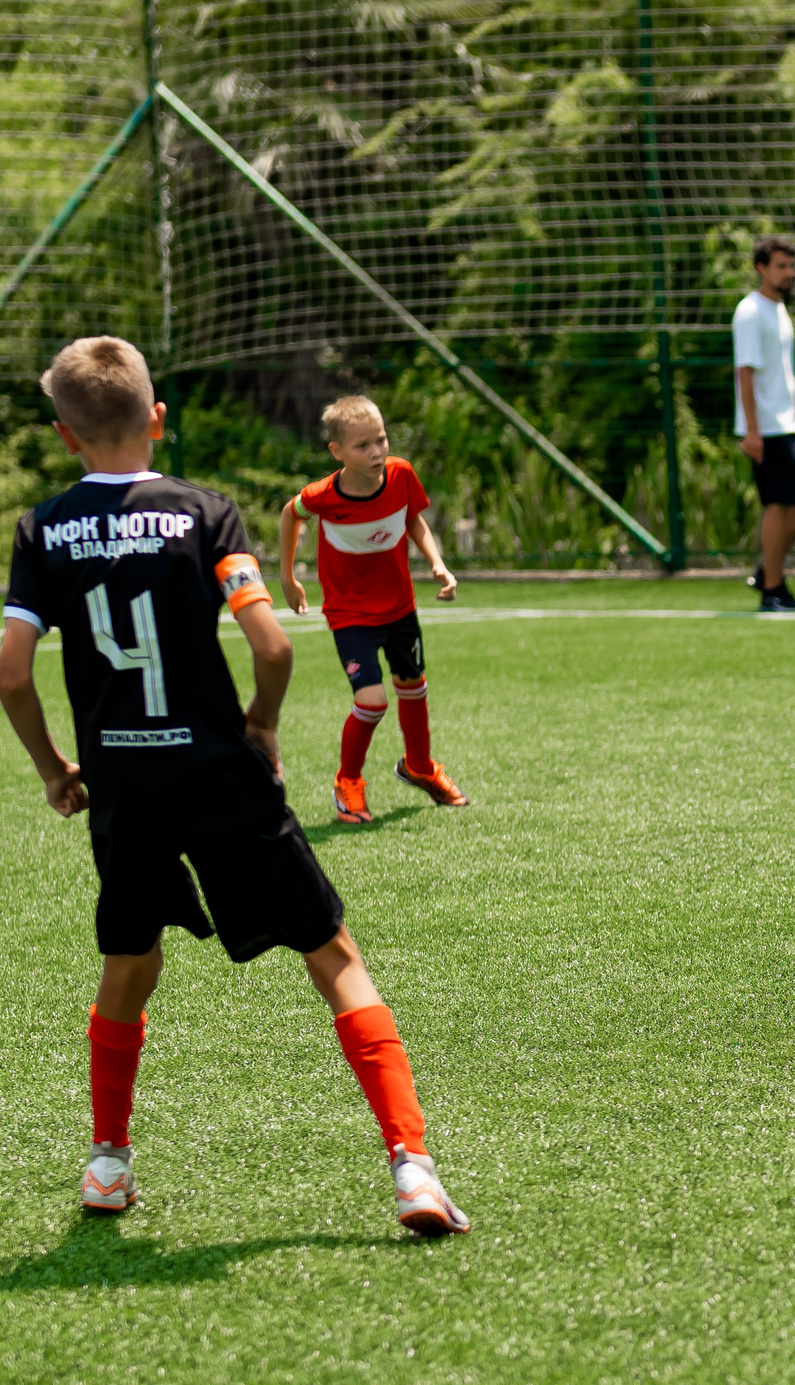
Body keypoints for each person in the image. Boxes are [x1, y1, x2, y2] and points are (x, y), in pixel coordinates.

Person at [0, 337, 470, 1235]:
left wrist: (58, 769)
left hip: (124, 783)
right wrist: (260, 723)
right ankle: (412, 1168)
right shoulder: (204, 512)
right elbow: (275, 644)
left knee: (129, 965)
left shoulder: (42, 529)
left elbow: (13, 673)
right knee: (334, 957)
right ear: (158, 418)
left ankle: (107, 1162)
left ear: (64, 436)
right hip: (220, 771)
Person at [276, 394, 467, 826]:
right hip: (351, 613)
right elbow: (291, 514)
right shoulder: (323, 495)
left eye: (380, 439)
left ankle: (419, 767)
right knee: (373, 701)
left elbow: (413, 518)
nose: (377, 451)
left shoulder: (400, 475)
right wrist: (287, 578)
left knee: (413, 684)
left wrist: (437, 563)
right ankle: (348, 783)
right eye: (363, 445)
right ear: (337, 452)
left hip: (399, 607)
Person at [735, 235, 795, 613]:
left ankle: (766, 569)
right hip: (766, 430)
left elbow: (780, 372)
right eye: (781, 266)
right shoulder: (750, 311)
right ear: (762, 269)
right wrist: (752, 431)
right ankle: (772, 589)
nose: (789, 273)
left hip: (786, 423)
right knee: (777, 503)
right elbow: (746, 374)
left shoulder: (779, 309)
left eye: (791, 266)